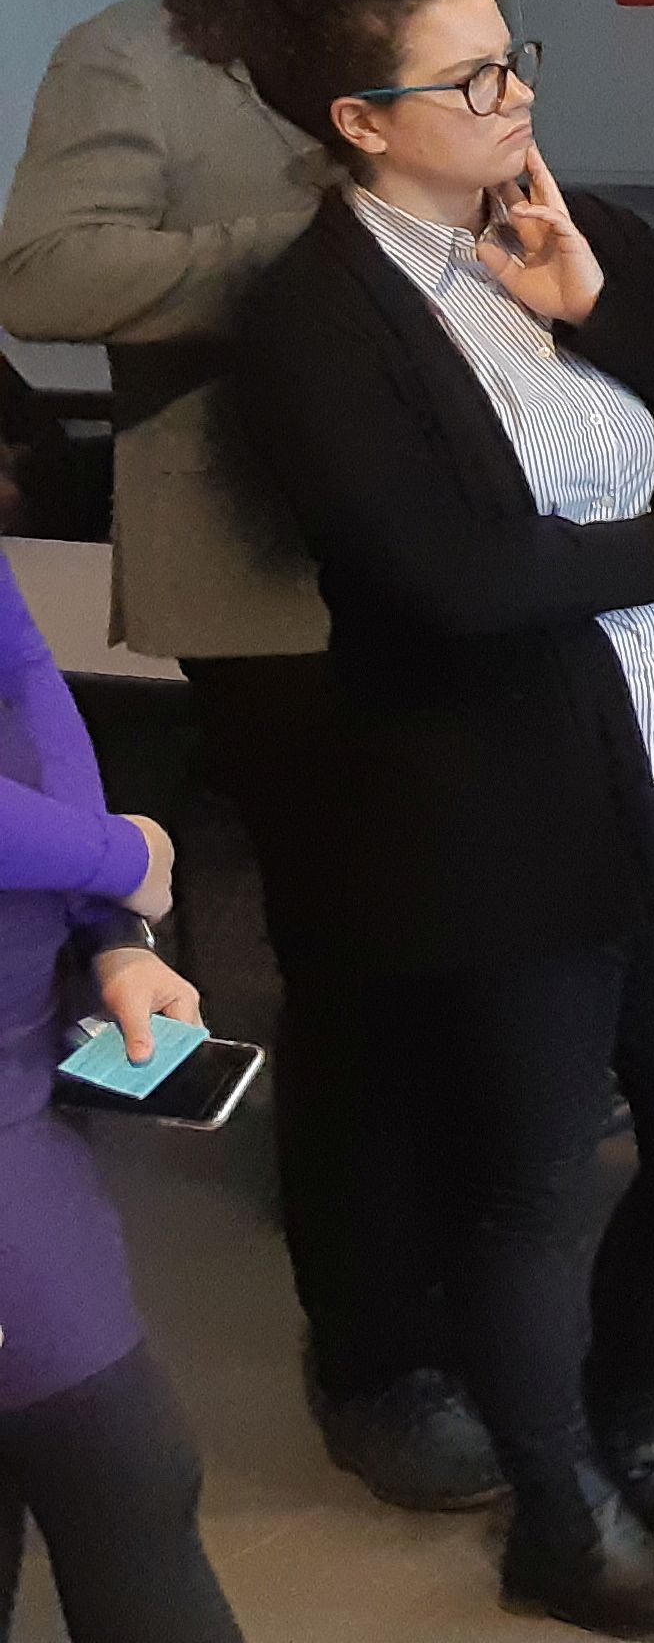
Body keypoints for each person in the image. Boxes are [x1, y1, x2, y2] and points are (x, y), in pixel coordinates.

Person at [175, 0, 654, 1636]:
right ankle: (560, 1514)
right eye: (469, 81)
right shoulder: (315, 316)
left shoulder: (571, 227)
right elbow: (448, 580)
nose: (514, 99)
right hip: (502, 812)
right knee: (532, 1179)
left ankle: (626, 1437)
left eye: (512, 60)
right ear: (359, 121)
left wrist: (607, 310)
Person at [0, 0, 506, 1515]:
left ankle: (493, 1311)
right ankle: (375, 1361)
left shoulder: (433, 45)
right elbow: (41, 274)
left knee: (463, 962)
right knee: (352, 978)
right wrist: (316, 241)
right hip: (262, 577)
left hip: (441, 563)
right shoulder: (136, 56)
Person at [0, 572, 234, 1643]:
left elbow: (21, 669)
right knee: (117, 1464)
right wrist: (121, 856)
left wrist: (111, 928)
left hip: (24, 1057)